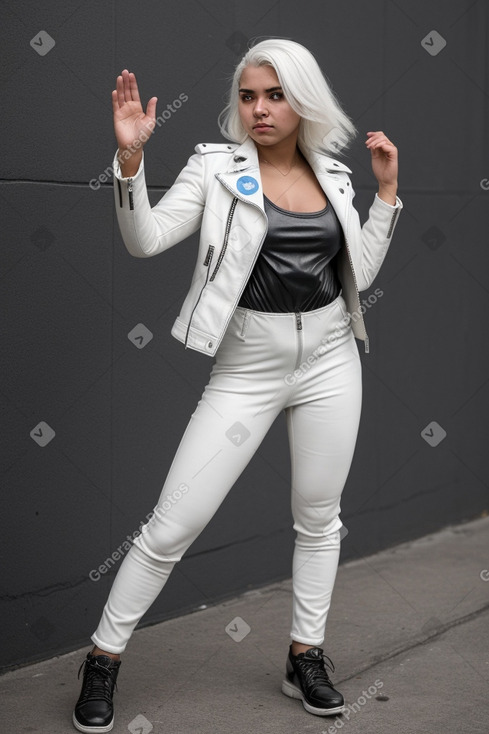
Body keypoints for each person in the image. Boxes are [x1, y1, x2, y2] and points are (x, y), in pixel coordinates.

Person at [73, 38, 402, 733]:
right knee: (173, 524)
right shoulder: (215, 168)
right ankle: (102, 658)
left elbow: (359, 276)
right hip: (247, 365)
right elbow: (145, 239)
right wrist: (130, 161)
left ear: (302, 99)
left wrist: (386, 198)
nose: (258, 108)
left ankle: (303, 655)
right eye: (248, 95)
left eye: (275, 94)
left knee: (319, 516)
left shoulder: (335, 175)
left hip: (332, 360)